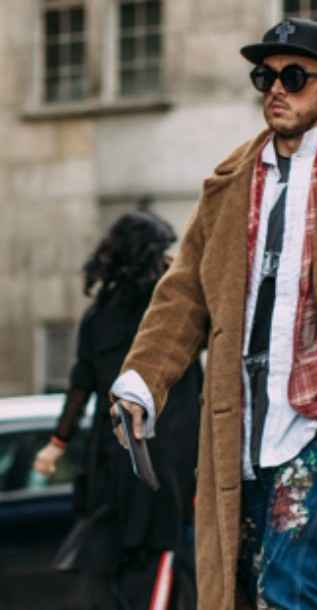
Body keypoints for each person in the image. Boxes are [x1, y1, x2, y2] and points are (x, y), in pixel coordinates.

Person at [110, 18, 317, 610]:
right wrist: (142, 381)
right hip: (241, 427)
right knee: (251, 588)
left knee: (288, 586)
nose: (276, 90)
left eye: (294, 76)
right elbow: (184, 294)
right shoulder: (229, 183)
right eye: (265, 77)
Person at [34, 211, 203, 610]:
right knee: (166, 556)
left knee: (118, 565)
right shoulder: (173, 310)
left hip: (111, 458)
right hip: (169, 457)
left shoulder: (99, 314)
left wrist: (57, 443)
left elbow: (80, 386)